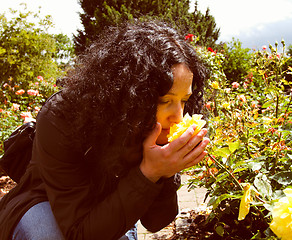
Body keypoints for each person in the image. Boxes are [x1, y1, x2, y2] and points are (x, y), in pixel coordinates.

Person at [0, 20, 209, 240]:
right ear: (131, 92)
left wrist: (164, 172)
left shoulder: (153, 129)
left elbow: (156, 222)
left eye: (184, 100)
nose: (177, 115)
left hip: (108, 209)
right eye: (164, 100)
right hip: (43, 203)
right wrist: (149, 173)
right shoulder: (61, 116)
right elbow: (78, 234)